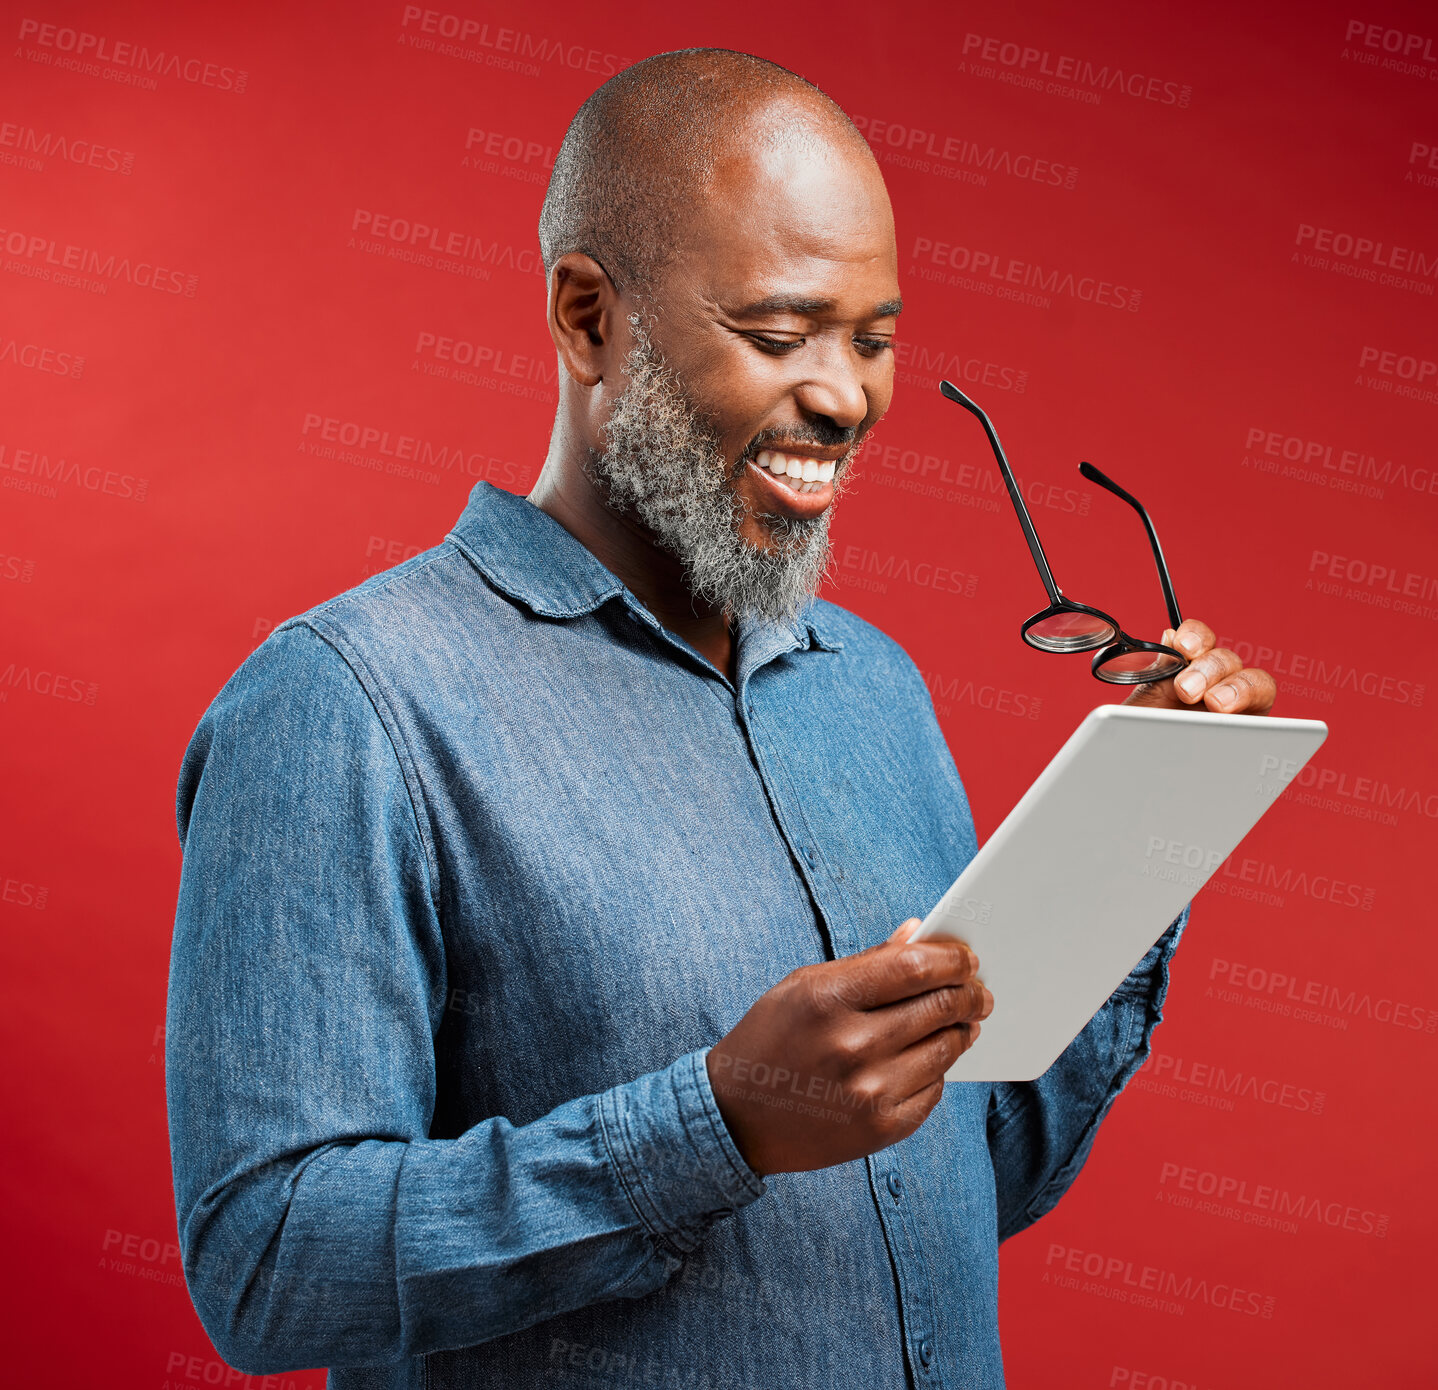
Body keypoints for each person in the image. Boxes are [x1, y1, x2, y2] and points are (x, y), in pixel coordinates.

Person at [166, 48, 1276, 1389]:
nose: (844, 395)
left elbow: (966, 1186)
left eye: (873, 340)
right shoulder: (350, 702)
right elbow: (271, 1268)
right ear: (587, 316)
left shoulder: (872, 685)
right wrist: (719, 1123)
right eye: (776, 333)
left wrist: (1138, 848)